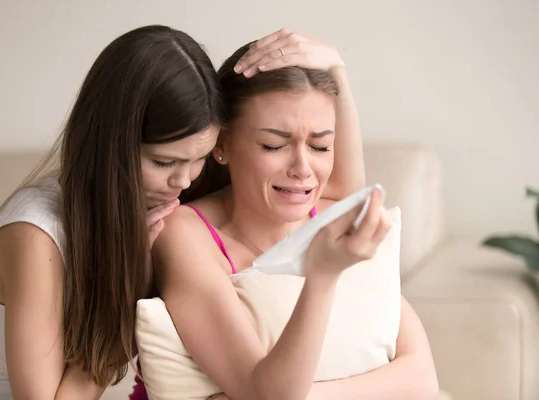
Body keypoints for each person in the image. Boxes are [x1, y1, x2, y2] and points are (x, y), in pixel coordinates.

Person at [144, 30, 439, 400]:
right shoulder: (185, 234)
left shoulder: (336, 216)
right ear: (221, 145)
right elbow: (266, 394)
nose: (303, 168)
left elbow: (422, 379)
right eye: (274, 145)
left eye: (320, 145)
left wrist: (337, 69)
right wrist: (322, 275)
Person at [0, 24, 229, 400]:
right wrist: (134, 280)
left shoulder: (156, 207)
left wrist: (331, 69)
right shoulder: (36, 235)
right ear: (112, 146)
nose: (185, 181)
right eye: (164, 161)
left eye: (200, 159)